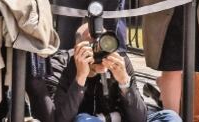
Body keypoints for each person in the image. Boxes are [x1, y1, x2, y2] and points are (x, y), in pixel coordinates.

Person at [52, 25, 181, 122]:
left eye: (104, 45)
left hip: (120, 118)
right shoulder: (62, 64)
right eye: (93, 47)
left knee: (170, 117)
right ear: (77, 48)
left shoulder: (120, 60)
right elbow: (60, 119)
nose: (100, 53)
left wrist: (124, 82)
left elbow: (140, 119)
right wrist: (80, 77)